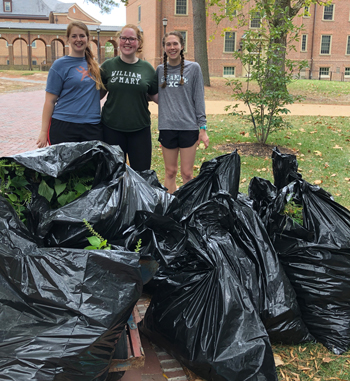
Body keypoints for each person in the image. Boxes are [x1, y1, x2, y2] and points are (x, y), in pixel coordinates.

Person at [155, 31, 209, 193]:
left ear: (182, 46)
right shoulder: (159, 70)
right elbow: (149, 92)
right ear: (164, 47)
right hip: (167, 127)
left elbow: (198, 99)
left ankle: (187, 209)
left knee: (187, 174)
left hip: (188, 127)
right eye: (168, 44)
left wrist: (203, 128)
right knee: (170, 172)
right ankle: (170, 209)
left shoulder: (193, 69)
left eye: (175, 44)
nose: (172, 47)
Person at [100, 24, 158, 172]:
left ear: (138, 42)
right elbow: (96, 95)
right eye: (124, 38)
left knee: (142, 174)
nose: (127, 42)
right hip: (111, 128)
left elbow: (156, 96)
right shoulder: (107, 66)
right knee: (112, 174)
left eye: (131, 39)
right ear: (119, 40)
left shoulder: (147, 69)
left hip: (139, 129)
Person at [36, 21, 104, 148]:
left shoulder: (96, 66)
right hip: (64, 125)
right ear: (68, 39)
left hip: (92, 126)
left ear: (88, 39)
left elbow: (96, 94)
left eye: (82, 36)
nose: (78, 39)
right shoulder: (59, 65)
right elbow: (49, 101)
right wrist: (43, 132)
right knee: (65, 168)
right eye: (74, 36)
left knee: (90, 167)